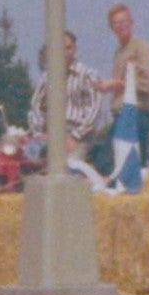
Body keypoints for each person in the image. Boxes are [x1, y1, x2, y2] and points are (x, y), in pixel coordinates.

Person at [29, 30, 112, 183]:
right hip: (51, 133)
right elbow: (36, 105)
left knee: (71, 170)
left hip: (78, 135)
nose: (65, 52)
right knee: (30, 165)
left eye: (68, 48)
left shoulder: (87, 74)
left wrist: (75, 137)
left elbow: (94, 110)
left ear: (74, 49)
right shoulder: (48, 76)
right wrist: (39, 133)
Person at [98, 3, 149, 195]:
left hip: (136, 114)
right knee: (112, 163)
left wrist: (116, 85)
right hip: (121, 115)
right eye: (116, 23)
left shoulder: (142, 49)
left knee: (125, 164)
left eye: (124, 21)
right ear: (111, 27)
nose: (121, 26)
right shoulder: (120, 51)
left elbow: (148, 83)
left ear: (132, 22)